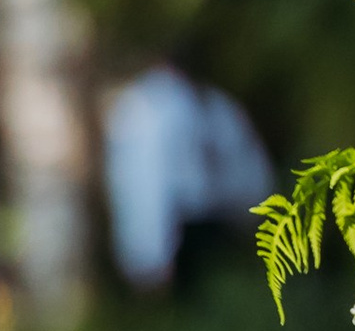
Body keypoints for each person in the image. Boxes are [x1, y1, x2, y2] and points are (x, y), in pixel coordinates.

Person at [101, 57, 275, 290]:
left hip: (213, 219)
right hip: (184, 224)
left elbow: (240, 160)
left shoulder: (210, 104)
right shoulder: (149, 109)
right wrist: (151, 252)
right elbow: (146, 184)